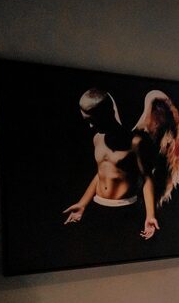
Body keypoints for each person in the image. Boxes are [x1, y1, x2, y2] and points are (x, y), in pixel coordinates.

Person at [63, 89, 159, 239]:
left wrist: (150, 215)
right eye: (87, 121)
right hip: (98, 208)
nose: (90, 126)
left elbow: (147, 178)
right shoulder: (97, 139)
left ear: (107, 113)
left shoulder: (135, 143)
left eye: (92, 121)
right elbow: (101, 174)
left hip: (125, 210)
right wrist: (83, 203)